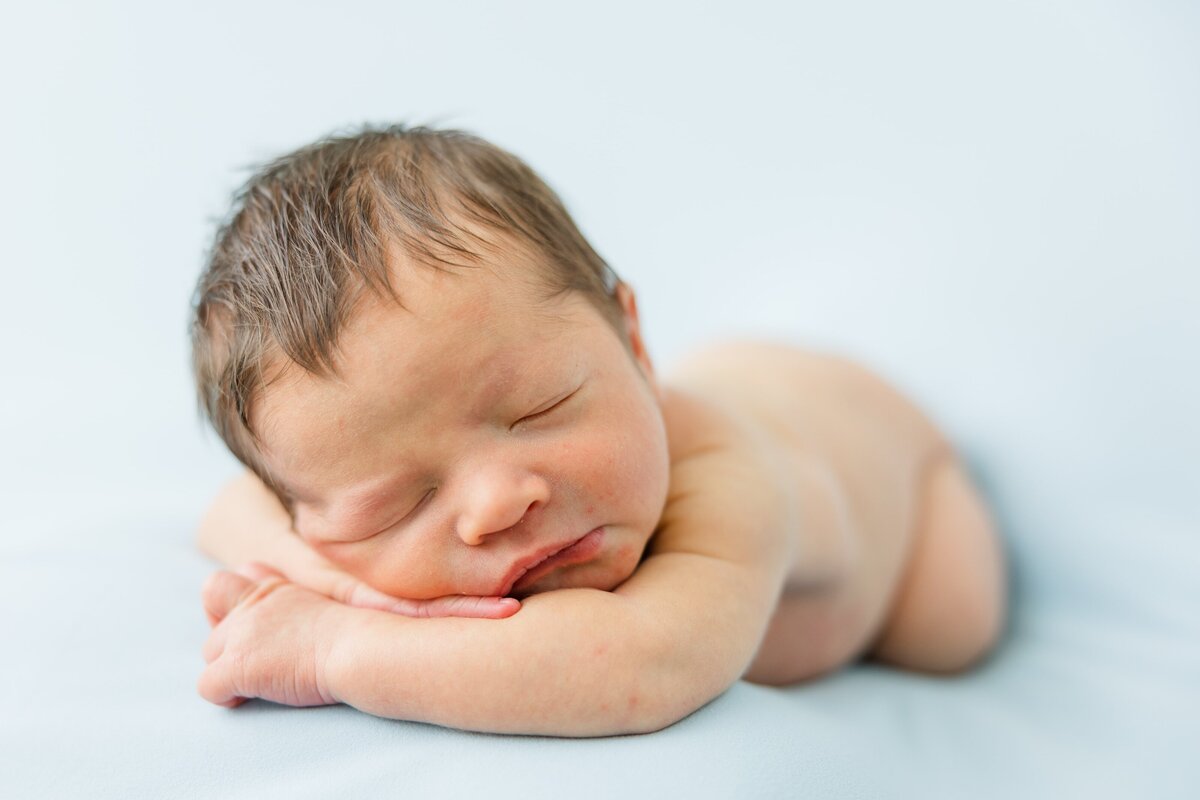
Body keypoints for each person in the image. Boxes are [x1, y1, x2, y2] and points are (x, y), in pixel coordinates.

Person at [190, 124, 1007, 737]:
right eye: (396, 505)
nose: (496, 506)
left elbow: (643, 662)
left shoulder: (728, 479)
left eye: (538, 410)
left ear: (634, 344)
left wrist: (335, 643)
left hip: (886, 474)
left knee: (951, 628)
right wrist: (332, 572)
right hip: (729, 380)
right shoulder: (334, 493)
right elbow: (228, 513)